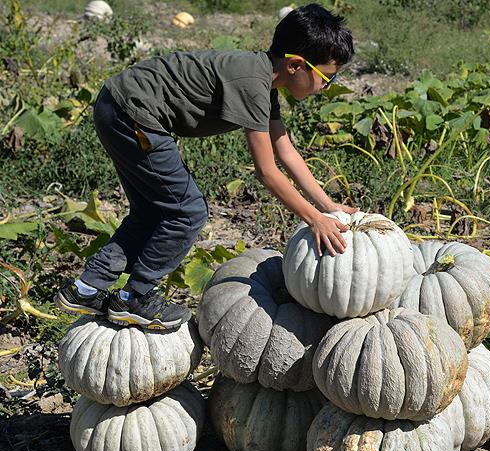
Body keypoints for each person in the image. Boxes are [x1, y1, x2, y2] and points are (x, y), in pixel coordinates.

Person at [54, 3, 356, 330]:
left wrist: (327, 207)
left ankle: (86, 289)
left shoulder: (263, 79)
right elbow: (267, 172)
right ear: (297, 65)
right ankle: (135, 297)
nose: (329, 85)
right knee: (188, 211)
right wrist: (314, 220)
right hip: (132, 115)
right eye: (328, 76)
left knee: (151, 211)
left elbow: (286, 151)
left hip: (119, 106)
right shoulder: (253, 83)